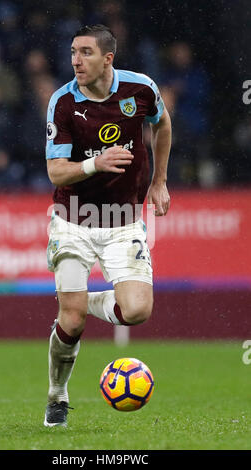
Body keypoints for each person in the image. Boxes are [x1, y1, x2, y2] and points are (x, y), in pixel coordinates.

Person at [44, 24, 171, 428]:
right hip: (73, 220)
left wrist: (160, 181)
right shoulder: (63, 102)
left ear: (108, 58)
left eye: (84, 53)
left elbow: (162, 125)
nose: (75, 61)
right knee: (73, 321)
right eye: (72, 53)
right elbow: (55, 173)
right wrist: (93, 164)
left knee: (137, 311)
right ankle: (57, 396)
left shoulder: (141, 89)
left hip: (122, 222)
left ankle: (78, 303)